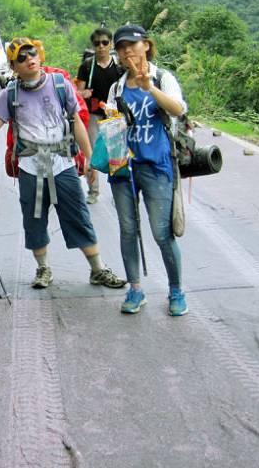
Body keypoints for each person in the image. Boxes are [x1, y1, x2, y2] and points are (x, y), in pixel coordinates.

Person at [0, 37, 126, 290]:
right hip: (30, 167)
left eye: (32, 53)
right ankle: (43, 269)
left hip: (62, 163)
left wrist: (89, 159)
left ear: (39, 55)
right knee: (34, 219)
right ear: (13, 67)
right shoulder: (10, 94)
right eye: (21, 58)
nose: (29, 59)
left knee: (78, 216)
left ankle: (97, 269)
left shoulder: (60, 84)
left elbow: (76, 122)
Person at [106, 24, 188, 316]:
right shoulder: (117, 87)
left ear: (147, 46)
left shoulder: (163, 78)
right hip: (123, 168)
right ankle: (135, 289)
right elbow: (113, 126)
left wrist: (149, 88)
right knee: (128, 230)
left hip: (157, 166)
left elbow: (178, 109)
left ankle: (176, 291)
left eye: (132, 44)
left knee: (161, 233)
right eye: (121, 47)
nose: (127, 50)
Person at [76, 27, 123, 204]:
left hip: (114, 115)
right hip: (93, 115)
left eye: (105, 42)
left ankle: (120, 192)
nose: (101, 46)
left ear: (111, 44)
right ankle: (93, 191)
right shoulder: (87, 66)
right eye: (97, 43)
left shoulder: (119, 66)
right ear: (93, 45)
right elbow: (78, 93)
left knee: (117, 155)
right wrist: (84, 94)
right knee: (92, 154)